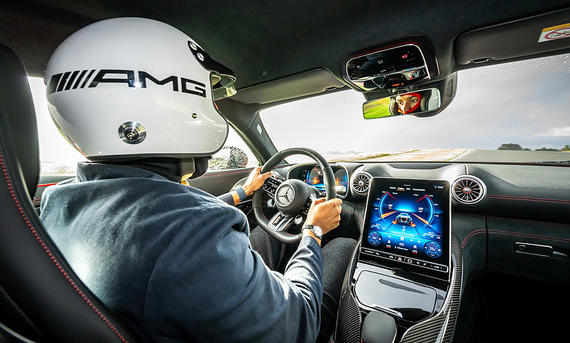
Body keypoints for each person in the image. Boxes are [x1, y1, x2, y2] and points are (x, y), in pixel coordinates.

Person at [39, 17, 356, 342]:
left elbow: (156, 218)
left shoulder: (60, 202)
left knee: (270, 236)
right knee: (344, 246)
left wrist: (241, 193)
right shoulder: (190, 235)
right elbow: (297, 324)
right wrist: (313, 231)